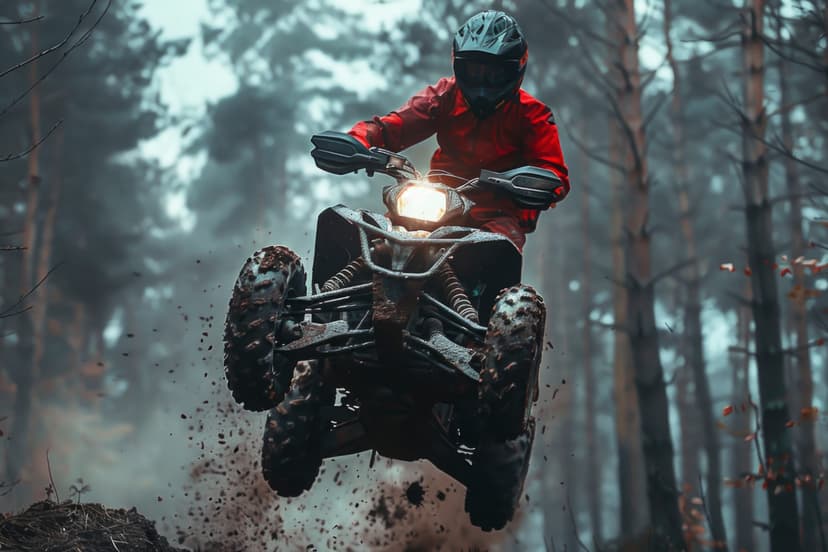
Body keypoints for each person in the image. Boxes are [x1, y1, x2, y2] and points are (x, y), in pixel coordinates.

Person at [348, 10, 570, 251]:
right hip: (438, 200)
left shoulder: (533, 115)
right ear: (458, 65)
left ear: (516, 69)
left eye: (495, 73)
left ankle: (506, 291)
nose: (483, 82)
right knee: (373, 234)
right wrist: (357, 141)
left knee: (500, 248)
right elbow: (393, 127)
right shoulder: (444, 97)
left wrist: (531, 184)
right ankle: (341, 285)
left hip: (495, 213)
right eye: (474, 71)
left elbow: (554, 173)